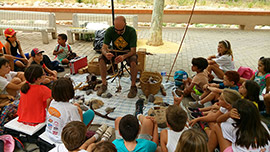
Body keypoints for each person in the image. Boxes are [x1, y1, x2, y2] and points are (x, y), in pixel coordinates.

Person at [97, 16, 138, 98]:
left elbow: (133, 50)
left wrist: (124, 56)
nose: (118, 32)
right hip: (115, 51)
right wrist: (106, 54)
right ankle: (104, 83)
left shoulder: (131, 31)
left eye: (121, 30)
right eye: (116, 30)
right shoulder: (110, 30)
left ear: (125, 25)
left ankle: (133, 86)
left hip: (127, 52)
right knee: (101, 58)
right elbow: (104, 48)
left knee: (134, 61)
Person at [46, 78, 95, 143]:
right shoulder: (72, 109)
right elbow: (79, 128)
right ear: (70, 92)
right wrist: (79, 111)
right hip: (64, 139)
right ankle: (83, 138)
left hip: (50, 133)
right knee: (90, 113)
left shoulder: (53, 102)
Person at [50, 121, 114, 152]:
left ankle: (96, 136)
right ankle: (103, 139)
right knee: (91, 146)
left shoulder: (59, 147)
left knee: (88, 145)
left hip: (72, 149)